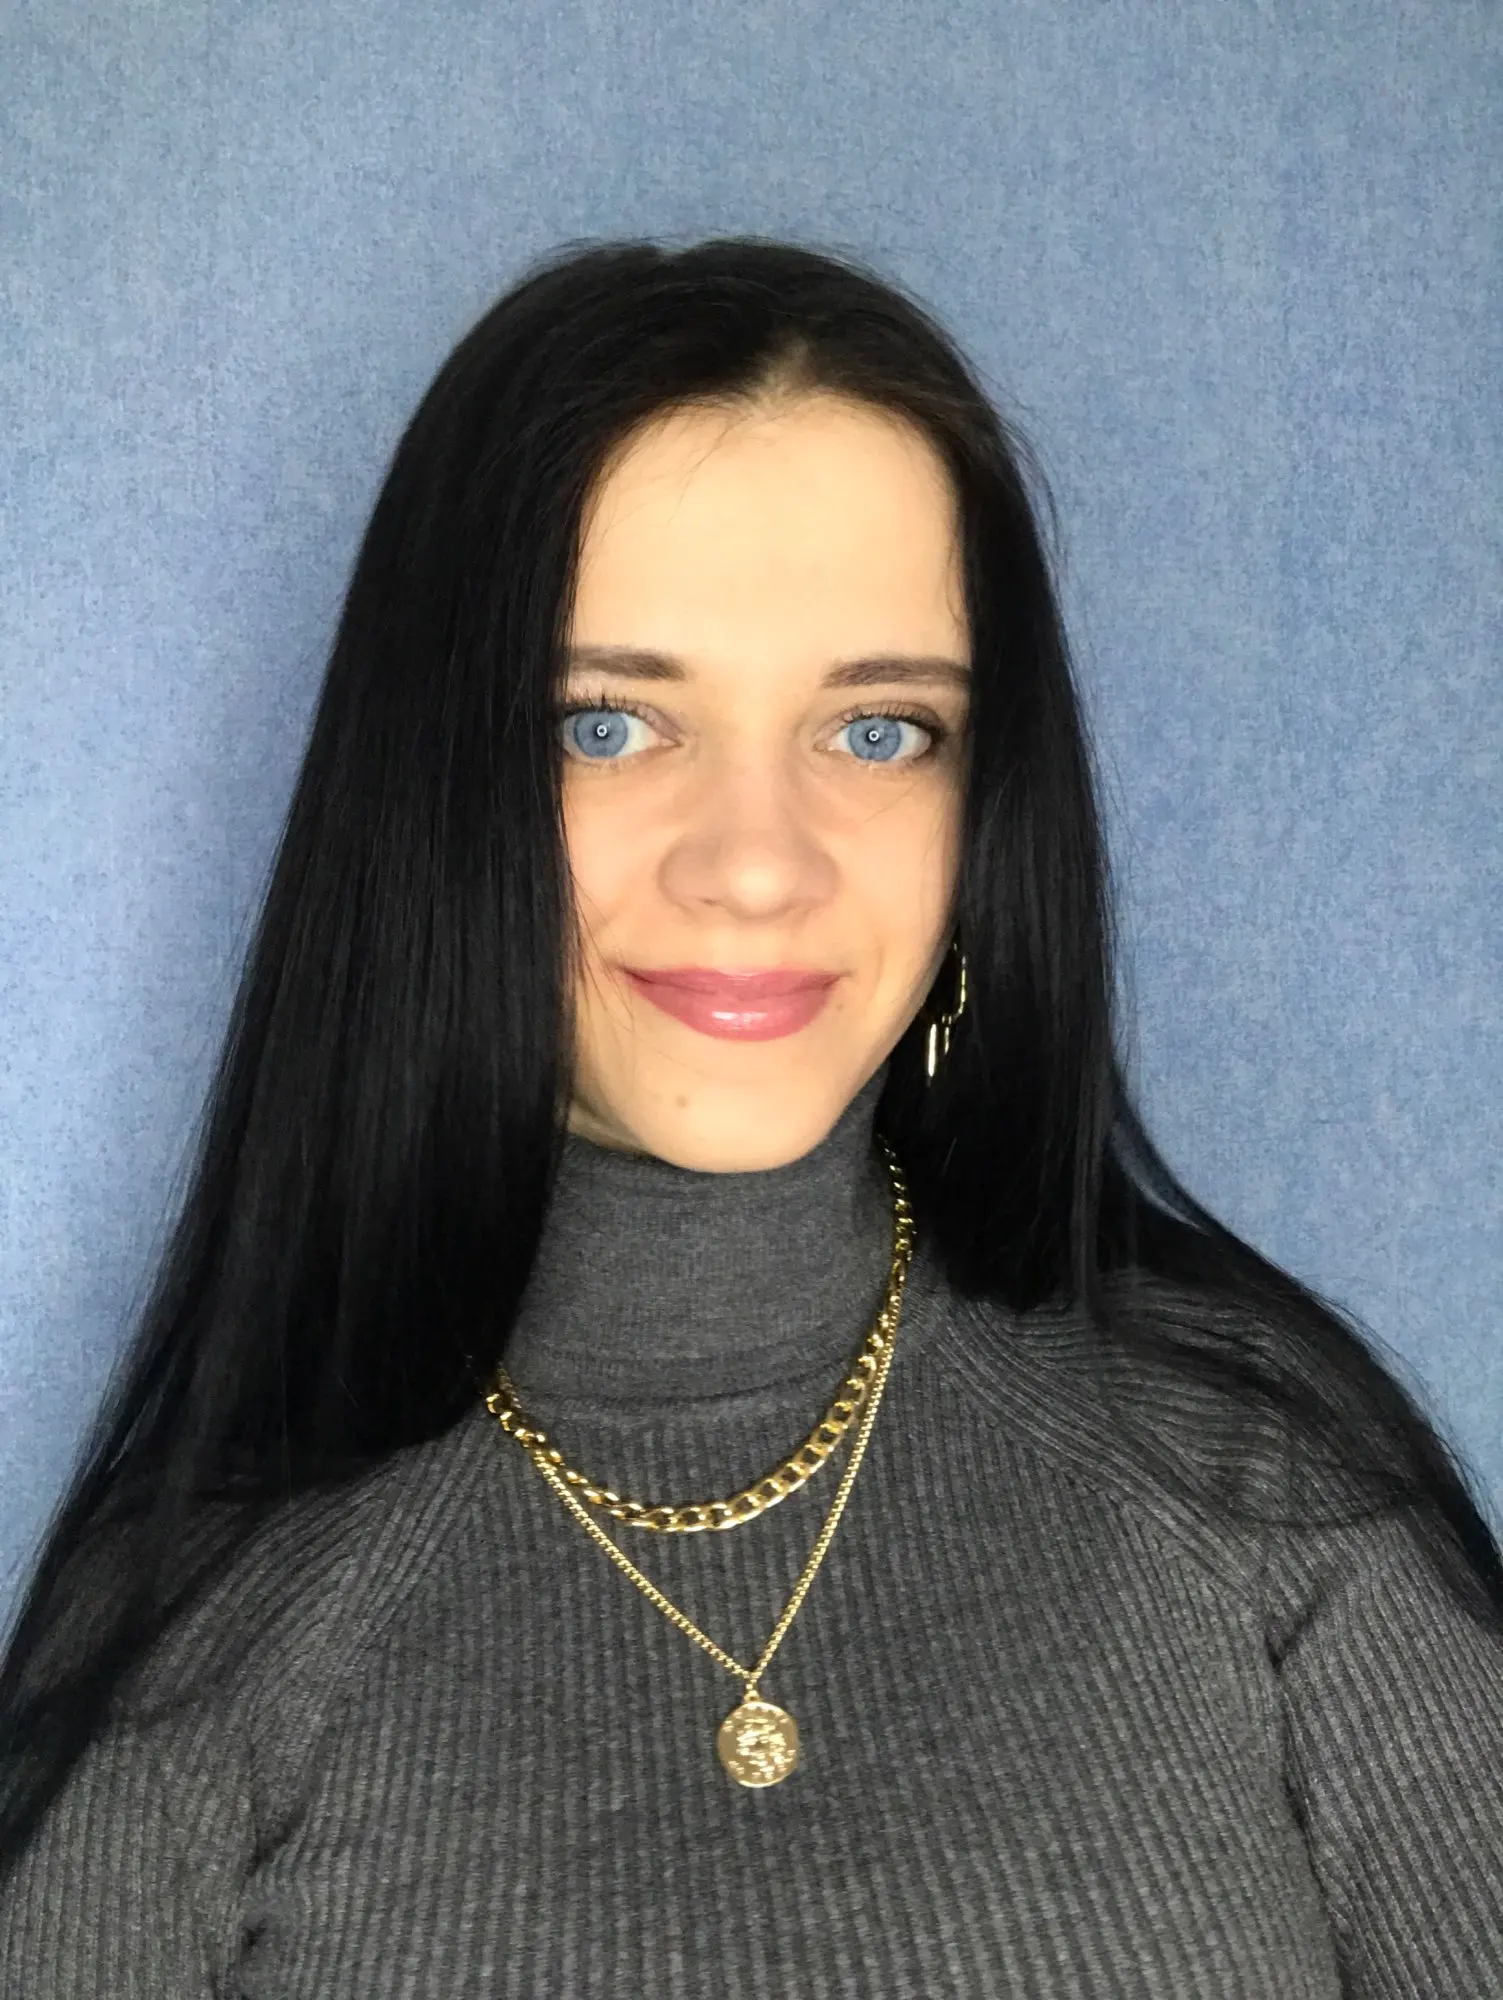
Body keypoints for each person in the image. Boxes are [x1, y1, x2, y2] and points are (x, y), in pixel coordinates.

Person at [1, 235, 1499, 1997]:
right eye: (607, 724)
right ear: (434, 787)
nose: (757, 865)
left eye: (878, 733)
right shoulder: (196, 1644)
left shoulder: (1261, 1481)